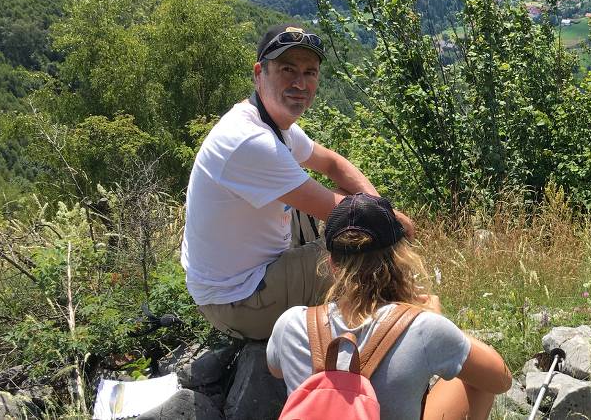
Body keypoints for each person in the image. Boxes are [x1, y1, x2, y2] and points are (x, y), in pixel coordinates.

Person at [181, 23, 407, 341]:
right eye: (288, 70)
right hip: (239, 300)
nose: (300, 83)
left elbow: (332, 163)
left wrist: (380, 208)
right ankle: (392, 340)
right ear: (260, 73)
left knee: (363, 217)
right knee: (363, 249)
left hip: (235, 282)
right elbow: (342, 212)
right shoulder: (250, 140)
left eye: (310, 72)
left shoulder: (272, 122)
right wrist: (395, 223)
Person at [267, 193, 512, 420]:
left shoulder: (291, 324)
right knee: (473, 377)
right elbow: (501, 380)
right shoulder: (423, 328)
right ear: (399, 257)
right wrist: (437, 321)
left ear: (332, 265)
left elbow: (276, 370)